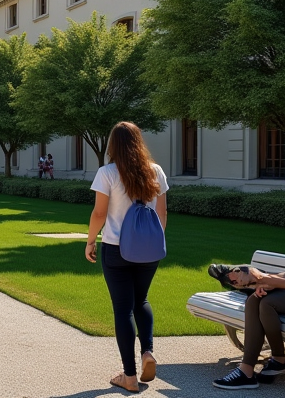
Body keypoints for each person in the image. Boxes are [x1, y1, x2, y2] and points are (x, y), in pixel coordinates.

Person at [85, 122, 168, 393]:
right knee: (141, 299)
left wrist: (89, 241)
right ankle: (148, 352)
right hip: (148, 250)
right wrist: (154, 242)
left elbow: (99, 213)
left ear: (113, 145)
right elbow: (162, 213)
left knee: (123, 308)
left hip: (116, 248)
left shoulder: (107, 172)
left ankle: (129, 376)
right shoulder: (155, 171)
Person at [211, 188, 285, 390]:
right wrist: (264, 282)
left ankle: (278, 360)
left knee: (268, 302)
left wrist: (272, 281)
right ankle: (247, 370)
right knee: (255, 299)